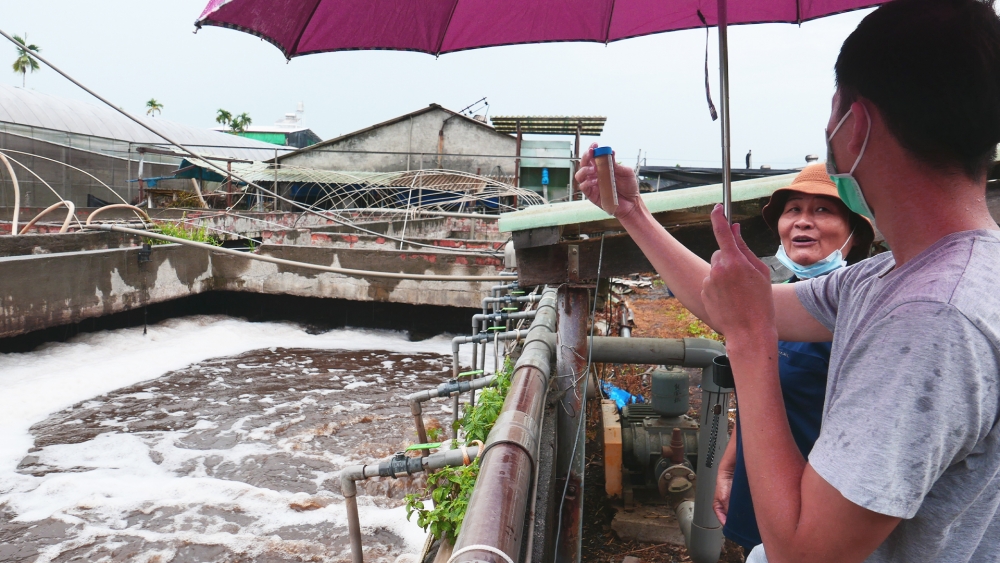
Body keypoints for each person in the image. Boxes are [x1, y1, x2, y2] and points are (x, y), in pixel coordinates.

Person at [577, 1, 1000, 561]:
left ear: (856, 126)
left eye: (833, 112)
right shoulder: (893, 277)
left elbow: (803, 553)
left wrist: (750, 342)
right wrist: (633, 212)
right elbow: (727, 301)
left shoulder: (930, 316)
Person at [712, 165, 875, 554]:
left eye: (823, 211)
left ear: (854, 231)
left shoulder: (859, 312)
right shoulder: (779, 296)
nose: (803, 221)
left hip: (817, 512)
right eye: (793, 209)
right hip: (763, 489)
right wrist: (732, 462)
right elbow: (766, 393)